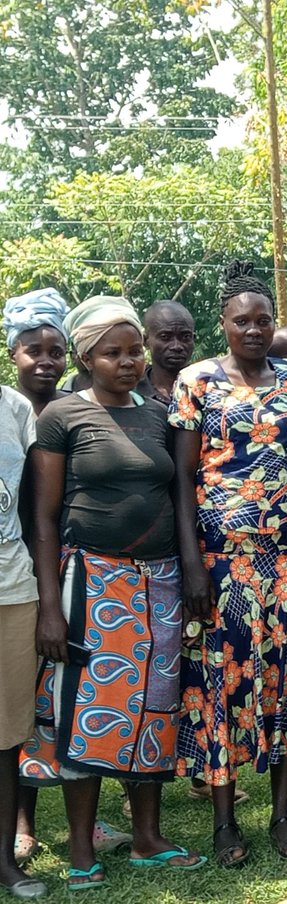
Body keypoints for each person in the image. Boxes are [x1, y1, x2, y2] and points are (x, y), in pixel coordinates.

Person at [31, 296, 204, 890]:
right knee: (86, 710)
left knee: (156, 706)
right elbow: (46, 516)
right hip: (92, 581)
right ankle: (82, 849)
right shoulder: (62, 415)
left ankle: (148, 837)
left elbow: (179, 490)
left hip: (158, 583)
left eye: (135, 351)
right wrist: (51, 606)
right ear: (86, 356)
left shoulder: (158, 413)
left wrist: (187, 567)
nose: (129, 362)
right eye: (114, 353)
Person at [170, 261, 287, 867]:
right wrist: (192, 563)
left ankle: (282, 814)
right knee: (222, 685)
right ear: (224, 323)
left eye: (264, 319)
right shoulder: (197, 381)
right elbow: (184, 480)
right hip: (221, 559)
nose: (255, 329)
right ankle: (225, 821)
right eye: (243, 321)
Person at [0, 319, 45, 899]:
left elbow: (37, 509)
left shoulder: (15, 409)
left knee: (7, 734)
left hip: (11, 589)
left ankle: (6, 860)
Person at [4, 289, 70, 416]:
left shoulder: (80, 411)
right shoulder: (4, 410)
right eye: (34, 352)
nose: (46, 362)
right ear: (12, 355)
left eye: (56, 354)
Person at [138, 300, 196, 405]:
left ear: (193, 339)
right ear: (145, 341)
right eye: (165, 337)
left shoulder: (210, 389)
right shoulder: (131, 391)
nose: (176, 346)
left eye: (185, 337)